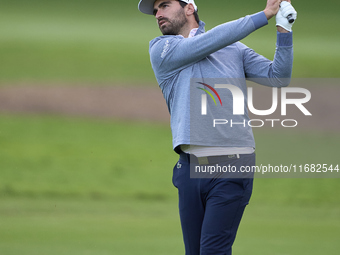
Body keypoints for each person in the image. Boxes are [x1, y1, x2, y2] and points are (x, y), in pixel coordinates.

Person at [138, 0, 297, 254]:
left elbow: (278, 76)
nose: (158, 14)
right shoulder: (162, 49)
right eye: (155, 11)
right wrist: (264, 14)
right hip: (189, 168)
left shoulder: (233, 48)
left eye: (164, 6)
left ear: (189, 8)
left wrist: (283, 28)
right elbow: (209, 41)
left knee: (213, 251)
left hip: (232, 165)